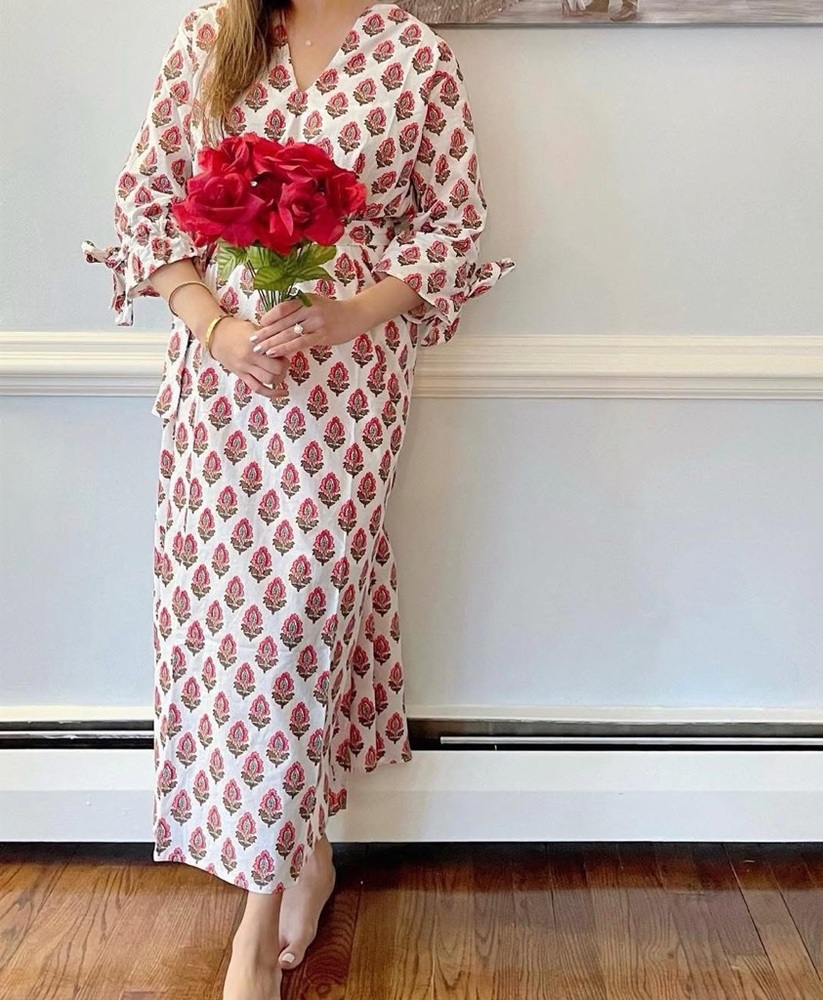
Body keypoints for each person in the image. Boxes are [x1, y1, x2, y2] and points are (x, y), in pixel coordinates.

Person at [82, 1, 513, 997]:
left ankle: (261, 906)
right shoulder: (213, 35)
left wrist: (348, 311)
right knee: (235, 631)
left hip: (348, 388)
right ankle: (299, 850)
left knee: (303, 619)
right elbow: (150, 211)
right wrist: (218, 331)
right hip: (221, 393)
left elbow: (448, 226)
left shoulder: (412, 52)